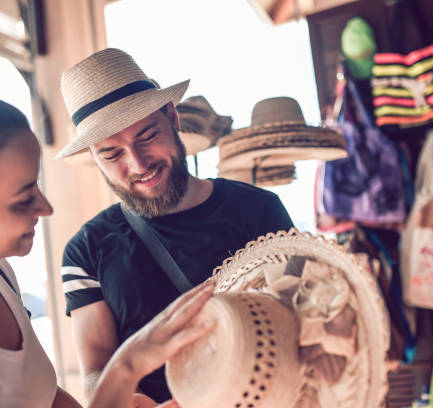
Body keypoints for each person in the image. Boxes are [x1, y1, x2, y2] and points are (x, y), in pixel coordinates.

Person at [0, 90, 216, 408]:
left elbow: (47, 398)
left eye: (37, 184)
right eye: (23, 198)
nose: (46, 208)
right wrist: (125, 368)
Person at [57, 48, 295, 404]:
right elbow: (96, 369)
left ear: (172, 117)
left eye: (147, 136)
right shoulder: (85, 250)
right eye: (112, 153)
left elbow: (299, 318)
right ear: (93, 156)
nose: (138, 164)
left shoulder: (260, 210)